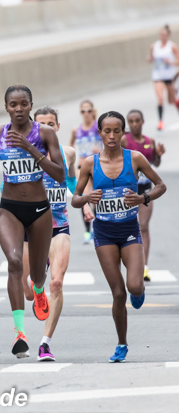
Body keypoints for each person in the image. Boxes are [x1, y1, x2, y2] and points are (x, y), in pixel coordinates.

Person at [72, 111, 166, 362]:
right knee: (117, 294)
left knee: (134, 286)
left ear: (123, 132)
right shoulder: (90, 164)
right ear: (100, 133)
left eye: (116, 131)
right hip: (104, 233)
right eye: (107, 131)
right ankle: (121, 343)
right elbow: (75, 199)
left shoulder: (134, 158)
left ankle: (138, 291)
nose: (112, 136)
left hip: (129, 231)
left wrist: (142, 198)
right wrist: (87, 200)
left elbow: (161, 185)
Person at [0, 84, 64, 359]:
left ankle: (40, 289)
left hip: (40, 210)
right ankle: (20, 333)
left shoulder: (44, 133)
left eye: (23, 104)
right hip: (9, 209)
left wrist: (32, 149)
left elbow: (60, 175)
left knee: (37, 275)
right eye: (13, 105)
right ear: (6, 106)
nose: (18, 109)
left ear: (30, 106)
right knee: (15, 262)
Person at [21, 106, 93, 362]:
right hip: (29, 227)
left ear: (58, 127)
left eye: (51, 123)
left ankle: (45, 343)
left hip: (58, 226)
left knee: (57, 282)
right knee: (29, 291)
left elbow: (71, 182)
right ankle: (35, 289)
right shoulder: (22, 152)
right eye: (41, 124)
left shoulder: (68, 153)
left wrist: (83, 201)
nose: (47, 128)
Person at [122, 110, 165, 281]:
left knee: (144, 226)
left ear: (142, 121)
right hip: (128, 192)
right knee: (127, 227)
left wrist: (159, 155)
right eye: (130, 121)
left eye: (137, 121)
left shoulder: (150, 141)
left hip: (146, 190)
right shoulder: (124, 141)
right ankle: (131, 264)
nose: (134, 124)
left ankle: (144, 267)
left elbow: (155, 163)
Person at [69, 100, 102, 243]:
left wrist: (101, 151)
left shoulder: (98, 128)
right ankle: (88, 231)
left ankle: (99, 228)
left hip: (98, 166)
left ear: (93, 111)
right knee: (85, 197)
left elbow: (109, 143)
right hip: (82, 167)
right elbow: (71, 145)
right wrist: (73, 157)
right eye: (83, 111)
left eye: (89, 110)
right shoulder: (76, 130)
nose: (86, 114)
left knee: (99, 198)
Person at [148, 24, 179, 130]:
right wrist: (150, 59)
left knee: (172, 100)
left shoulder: (172, 46)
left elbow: (178, 61)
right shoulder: (154, 46)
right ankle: (160, 122)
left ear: (168, 35)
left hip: (170, 76)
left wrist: (170, 62)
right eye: (161, 34)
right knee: (160, 99)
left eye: (164, 35)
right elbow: (150, 58)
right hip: (158, 76)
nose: (162, 36)